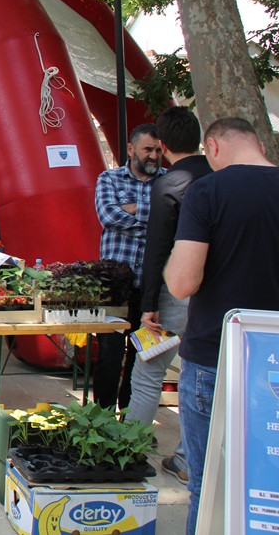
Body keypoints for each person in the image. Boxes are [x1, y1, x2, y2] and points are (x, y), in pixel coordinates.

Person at [164, 117, 279, 535]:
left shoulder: (209, 190)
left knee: (208, 484)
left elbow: (182, 283)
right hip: (273, 360)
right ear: (259, 144)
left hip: (216, 355)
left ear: (212, 147)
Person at [131, 107, 210, 484]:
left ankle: (129, 450)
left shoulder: (171, 184)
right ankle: (188, 458)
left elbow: (158, 248)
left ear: (162, 145)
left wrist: (149, 304)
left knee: (149, 372)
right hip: (217, 296)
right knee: (206, 375)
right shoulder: (220, 178)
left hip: (175, 293)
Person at [93, 123, 164, 411]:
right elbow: (108, 217)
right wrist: (156, 219)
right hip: (115, 286)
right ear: (132, 149)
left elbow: (173, 227)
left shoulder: (168, 181)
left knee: (141, 356)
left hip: (152, 288)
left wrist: (133, 209)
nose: (154, 156)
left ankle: (131, 420)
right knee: (109, 356)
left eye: (158, 150)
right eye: (148, 149)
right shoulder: (109, 179)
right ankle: (103, 418)